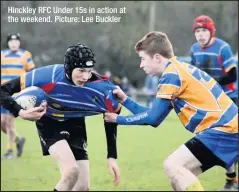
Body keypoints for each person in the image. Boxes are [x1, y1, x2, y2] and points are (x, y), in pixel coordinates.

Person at [104, 31, 238, 191]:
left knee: (172, 165)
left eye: (143, 59)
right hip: (228, 128)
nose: (141, 65)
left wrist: (117, 119)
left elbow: (152, 118)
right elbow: (155, 116)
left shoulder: (171, 75)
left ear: (157, 58)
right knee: (178, 179)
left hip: (224, 129)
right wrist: (125, 100)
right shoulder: (177, 69)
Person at [1, 43, 121, 191]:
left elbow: (112, 115)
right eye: (81, 71)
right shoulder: (47, 75)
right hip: (49, 121)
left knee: (83, 187)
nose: (85, 76)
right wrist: (20, 111)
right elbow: (3, 90)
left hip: (75, 122)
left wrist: (112, 157)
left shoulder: (96, 84)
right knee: (71, 172)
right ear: (68, 68)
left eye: (89, 71)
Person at [190, 15, 238, 191]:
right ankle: (231, 180)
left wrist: (212, 84)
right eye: (197, 31)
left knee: (227, 141)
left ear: (211, 32)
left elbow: (232, 75)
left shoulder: (223, 48)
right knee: (215, 141)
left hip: (228, 100)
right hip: (208, 102)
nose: (200, 35)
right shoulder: (194, 49)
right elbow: (194, 74)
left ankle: (231, 181)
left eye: (204, 31)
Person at [1, 33, 35, 160]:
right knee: (1, 123)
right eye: (11, 41)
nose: (14, 43)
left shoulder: (26, 55)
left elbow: (31, 73)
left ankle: (9, 151)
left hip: (17, 94)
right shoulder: (2, 55)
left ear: (19, 42)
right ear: (8, 43)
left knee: (9, 122)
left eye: (16, 41)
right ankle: (18, 140)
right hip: (2, 93)